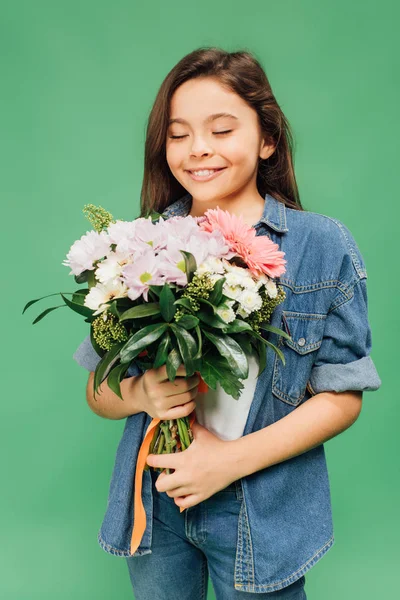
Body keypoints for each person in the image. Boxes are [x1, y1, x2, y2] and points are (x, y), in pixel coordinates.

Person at [73, 47, 382, 599]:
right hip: (158, 503)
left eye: (221, 130)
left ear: (267, 140)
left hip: (260, 508)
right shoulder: (139, 246)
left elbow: (343, 395)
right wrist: (142, 391)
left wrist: (225, 463)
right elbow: (99, 390)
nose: (199, 150)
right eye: (178, 133)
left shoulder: (321, 247)